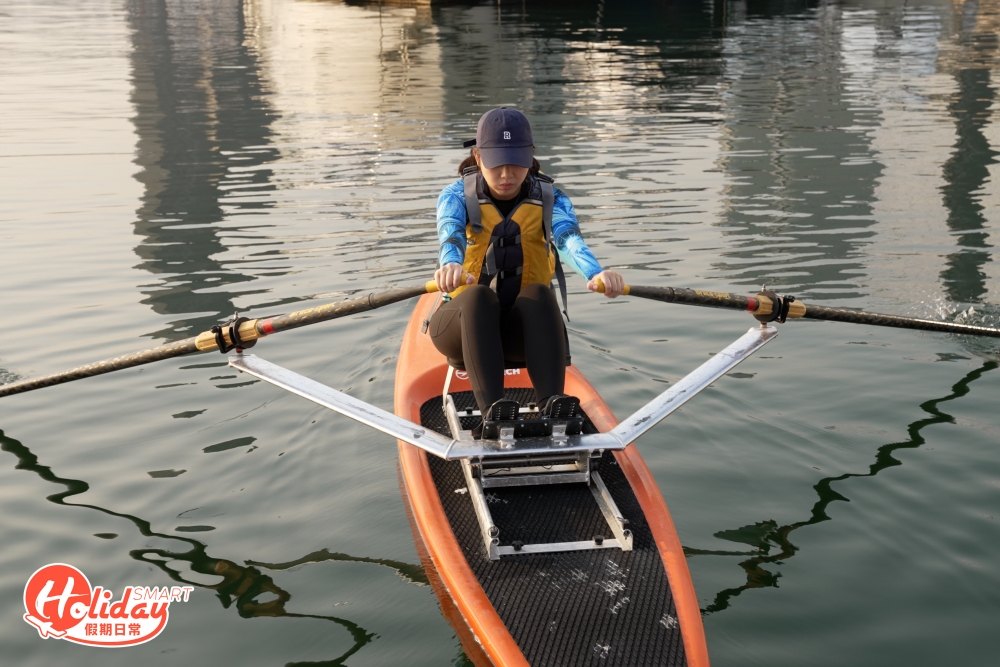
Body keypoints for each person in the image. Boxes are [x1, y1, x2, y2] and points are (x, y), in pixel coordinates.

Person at [430, 107, 624, 434]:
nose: (507, 174)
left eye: (516, 162)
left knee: (539, 294)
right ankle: (494, 414)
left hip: (522, 335)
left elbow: (568, 239)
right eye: (497, 163)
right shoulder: (455, 196)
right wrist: (450, 263)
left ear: (530, 157)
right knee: (477, 296)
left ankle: (554, 408)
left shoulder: (551, 198)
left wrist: (596, 274)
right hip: (461, 330)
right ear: (478, 158)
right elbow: (450, 234)